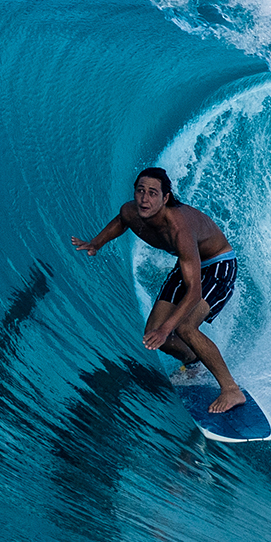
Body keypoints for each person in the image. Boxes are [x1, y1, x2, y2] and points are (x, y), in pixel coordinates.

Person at [72, 167, 245, 413]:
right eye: (140, 191)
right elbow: (122, 222)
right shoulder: (131, 210)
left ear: (165, 198)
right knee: (152, 332)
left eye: (153, 193)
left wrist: (168, 329)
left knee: (184, 327)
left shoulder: (179, 228)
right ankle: (192, 361)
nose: (145, 198)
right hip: (189, 263)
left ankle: (231, 389)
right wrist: (96, 243)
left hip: (218, 265)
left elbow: (194, 291)